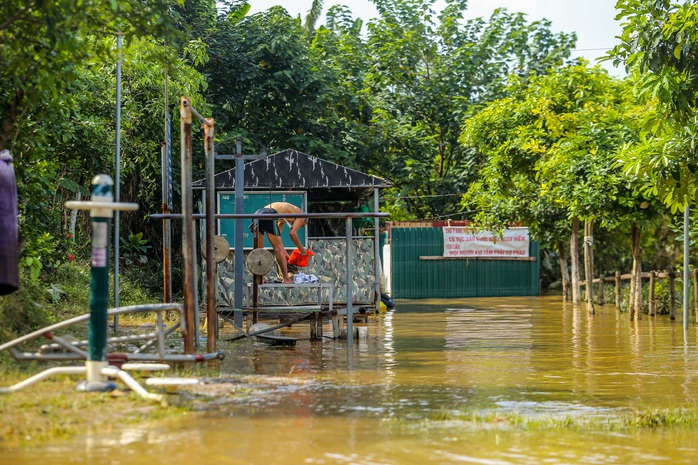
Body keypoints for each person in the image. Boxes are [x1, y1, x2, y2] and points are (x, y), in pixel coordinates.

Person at [250, 201, 311, 284]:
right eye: (302, 226)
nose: (300, 226)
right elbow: (292, 233)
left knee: (259, 250)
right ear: (304, 221)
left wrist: (284, 251)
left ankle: (261, 277)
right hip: (270, 214)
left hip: (257, 214)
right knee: (278, 250)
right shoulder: (301, 215)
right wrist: (302, 250)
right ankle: (286, 279)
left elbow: (278, 236)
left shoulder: (283, 216)